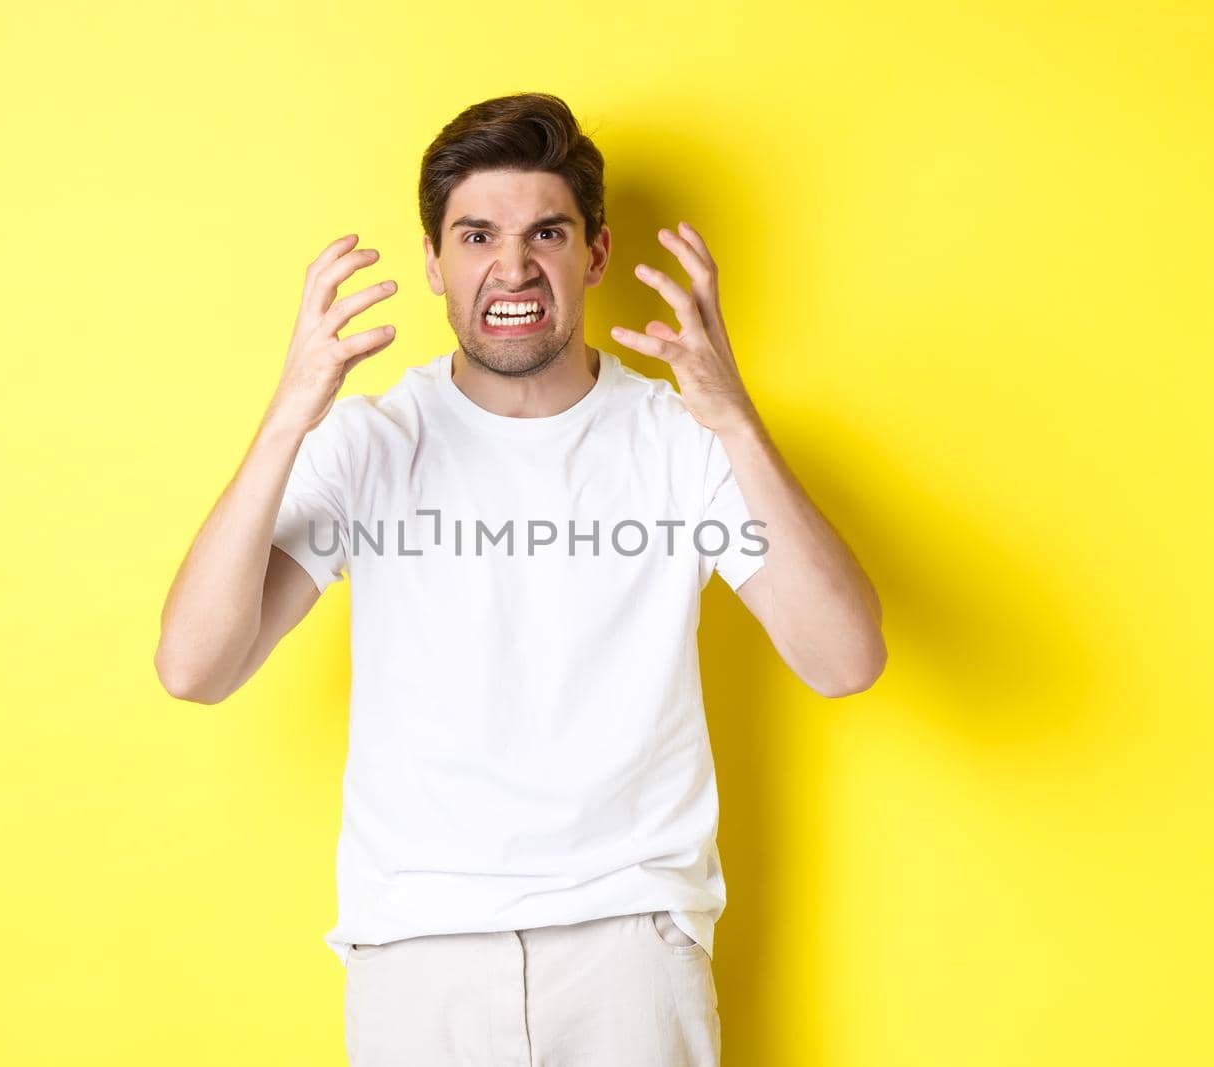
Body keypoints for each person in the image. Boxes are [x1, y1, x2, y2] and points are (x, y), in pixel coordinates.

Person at [154, 91, 886, 1066]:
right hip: (418, 947)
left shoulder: (678, 439)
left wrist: (735, 420)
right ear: (432, 260)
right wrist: (290, 415)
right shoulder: (370, 443)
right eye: (476, 234)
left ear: (593, 254)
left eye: (547, 231)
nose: (512, 266)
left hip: (629, 943)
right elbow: (195, 666)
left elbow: (843, 660)